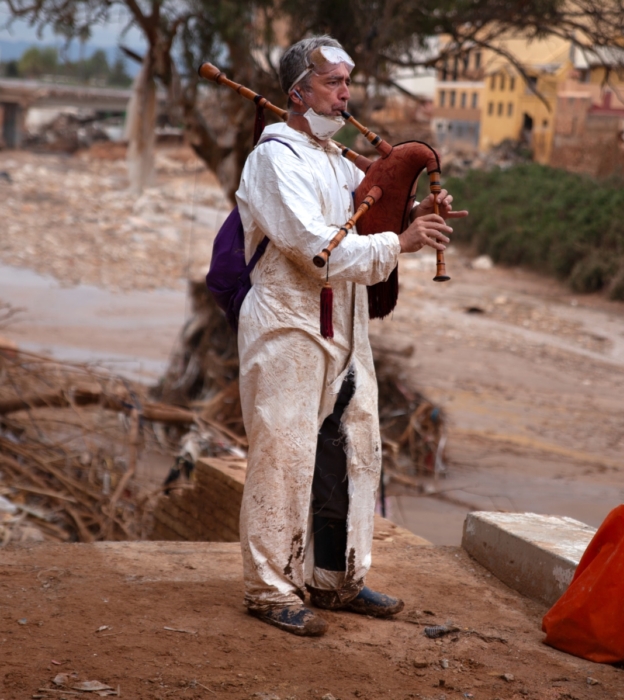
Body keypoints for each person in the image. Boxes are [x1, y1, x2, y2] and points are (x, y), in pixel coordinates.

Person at [235, 35, 467, 637]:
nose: (345, 94)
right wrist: (400, 244)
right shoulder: (274, 159)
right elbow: (317, 251)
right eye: (334, 82)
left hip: (345, 324)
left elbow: (367, 225)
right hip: (287, 323)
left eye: (346, 82)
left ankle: (335, 579)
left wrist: (413, 218)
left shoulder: (339, 161)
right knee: (284, 454)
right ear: (298, 92)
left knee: (352, 447)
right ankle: (270, 589)